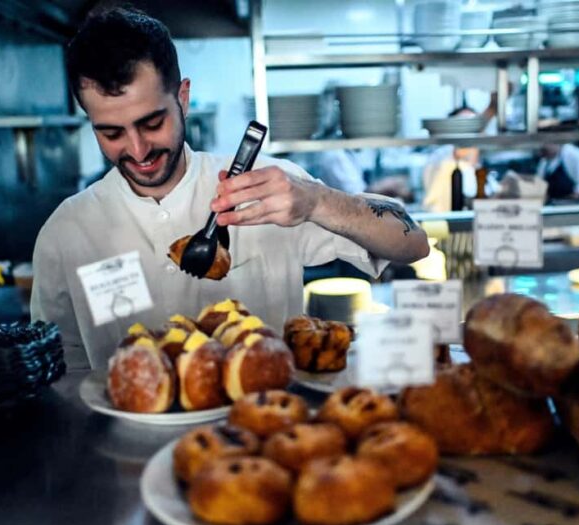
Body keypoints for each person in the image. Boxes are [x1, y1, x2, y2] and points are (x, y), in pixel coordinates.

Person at [30, 7, 429, 369]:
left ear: (182, 98)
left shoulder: (269, 186)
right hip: (126, 444)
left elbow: (413, 244)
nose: (137, 150)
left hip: (262, 433)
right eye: (111, 132)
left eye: (152, 123)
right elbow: (61, 367)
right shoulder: (67, 231)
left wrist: (316, 201)